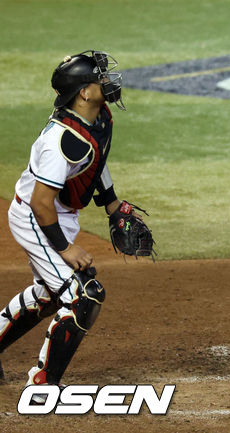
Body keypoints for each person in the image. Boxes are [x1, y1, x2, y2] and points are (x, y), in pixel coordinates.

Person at [0, 50, 142, 393]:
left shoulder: (98, 117)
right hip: (37, 217)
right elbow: (40, 202)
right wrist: (64, 248)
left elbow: (95, 162)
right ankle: (43, 383)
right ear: (83, 92)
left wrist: (112, 206)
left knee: (50, 294)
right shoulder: (60, 141)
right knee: (83, 295)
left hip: (57, 214)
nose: (106, 81)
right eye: (99, 77)